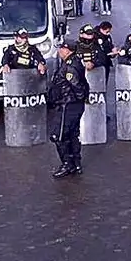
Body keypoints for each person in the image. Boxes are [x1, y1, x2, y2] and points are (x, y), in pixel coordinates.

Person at [48, 41, 89, 179]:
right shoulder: (74, 62)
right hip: (72, 104)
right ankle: (76, 163)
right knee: (72, 134)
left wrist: (77, 99)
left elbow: (76, 86)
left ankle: (67, 164)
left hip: (67, 104)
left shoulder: (70, 66)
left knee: (59, 136)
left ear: (68, 50)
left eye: (62, 48)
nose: (59, 51)